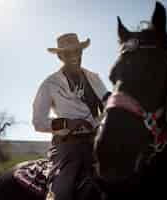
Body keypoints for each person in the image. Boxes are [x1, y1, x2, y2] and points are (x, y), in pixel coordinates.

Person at [32, 33, 109, 200]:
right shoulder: (50, 84)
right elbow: (38, 122)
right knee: (62, 193)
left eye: (77, 51)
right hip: (67, 147)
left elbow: (108, 103)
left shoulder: (94, 78)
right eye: (68, 53)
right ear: (60, 56)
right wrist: (67, 123)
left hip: (96, 143)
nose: (74, 56)